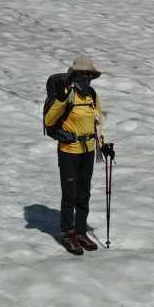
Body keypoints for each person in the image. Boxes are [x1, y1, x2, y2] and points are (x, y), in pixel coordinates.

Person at [44, 55, 105, 255]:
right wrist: (61, 100)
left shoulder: (92, 95)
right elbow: (49, 120)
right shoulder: (67, 95)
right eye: (82, 74)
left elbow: (97, 121)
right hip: (69, 151)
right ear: (75, 75)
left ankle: (80, 231)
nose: (86, 78)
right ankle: (67, 233)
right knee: (70, 194)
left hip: (88, 150)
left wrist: (103, 144)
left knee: (84, 193)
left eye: (88, 75)